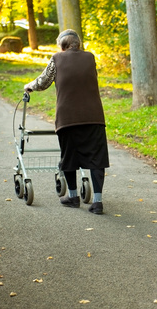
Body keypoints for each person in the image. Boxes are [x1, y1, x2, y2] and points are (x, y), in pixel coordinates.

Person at [24, 29, 109, 214]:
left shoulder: (57, 59)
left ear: (62, 45)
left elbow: (44, 81)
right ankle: (98, 202)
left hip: (68, 118)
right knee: (97, 159)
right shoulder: (90, 58)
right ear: (77, 43)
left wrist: (29, 86)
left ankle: (72, 196)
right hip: (94, 117)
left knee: (69, 157)